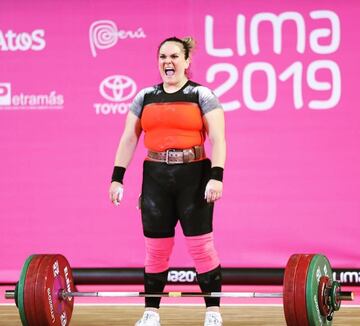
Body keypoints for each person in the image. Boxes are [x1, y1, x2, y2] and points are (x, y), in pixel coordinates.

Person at [109, 36, 226, 326]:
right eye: (162, 57)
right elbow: (129, 138)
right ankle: (151, 313)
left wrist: (217, 177)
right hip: (156, 177)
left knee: (201, 247)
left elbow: (218, 138)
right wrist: (117, 178)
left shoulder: (202, 95)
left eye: (174, 56)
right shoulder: (145, 96)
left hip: (194, 175)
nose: (168, 62)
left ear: (187, 61)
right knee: (156, 249)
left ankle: (213, 312)